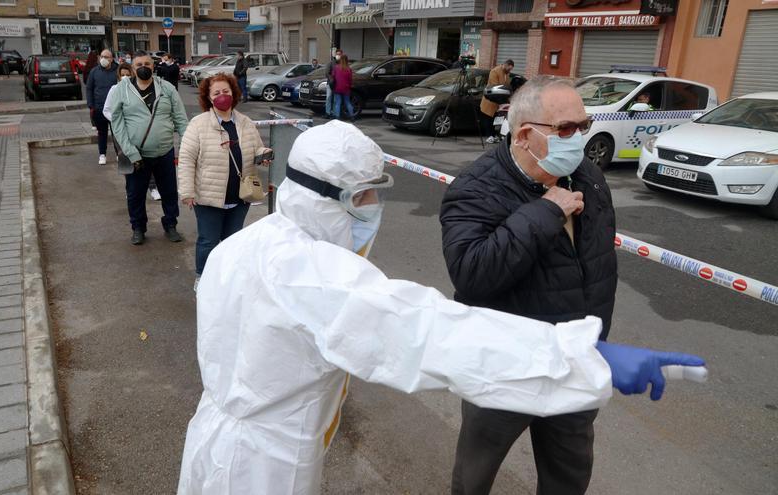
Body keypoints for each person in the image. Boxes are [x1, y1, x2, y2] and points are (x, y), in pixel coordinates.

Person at [176, 119, 705, 495]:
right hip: (266, 467)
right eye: (364, 196)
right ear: (330, 197)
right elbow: (429, 333)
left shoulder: (251, 242)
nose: (372, 209)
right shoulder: (311, 273)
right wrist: (582, 357)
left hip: (216, 437)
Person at [441, 75, 630, 495]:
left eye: (583, 125)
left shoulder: (588, 177)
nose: (579, 137)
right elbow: (472, 274)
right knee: (475, 474)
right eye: (566, 129)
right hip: (505, 368)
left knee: (570, 472)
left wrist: (596, 344)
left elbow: (597, 268)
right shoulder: (476, 188)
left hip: (574, 361)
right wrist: (544, 213)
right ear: (526, 134)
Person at [177, 73, 271, 291]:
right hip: (208, 197)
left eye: (226, 91)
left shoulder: (245, 123)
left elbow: (256, 147)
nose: (222, 96)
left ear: (234, 93)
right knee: (208, 241)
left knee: (232, 242)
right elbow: (187, 159)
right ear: (209, 98)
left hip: (240, 197)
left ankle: (228, 277)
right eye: (216, 93)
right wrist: (187, 192)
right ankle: (202, 276)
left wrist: (264, 153)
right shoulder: (198, 124)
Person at [110, 51, 189, 245]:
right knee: (135, 195)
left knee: (169, 192)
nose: (143, 67)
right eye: (138, 64)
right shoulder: (122, 89)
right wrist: (131, 152)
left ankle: (170, 224)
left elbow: (180, 119)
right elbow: (117, 124)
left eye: (147, 63)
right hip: (136, 155)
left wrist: (188, 146)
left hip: (164, 152)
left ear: (153, 66)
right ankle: (138, 228)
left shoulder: (167, 88)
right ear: (132, 68)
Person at [86, 49, 119, 166]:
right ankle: (102, 154)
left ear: (112, 58)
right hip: (99, 108)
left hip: (115, 109)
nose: (104, 59)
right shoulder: (94, 71)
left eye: (107, 57)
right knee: (102, 133)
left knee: (117, 133)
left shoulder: (118, 71)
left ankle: (118, 154)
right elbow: (89, 88)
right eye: (102, 56)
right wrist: (91, 105)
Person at [480, 59, 514, 144]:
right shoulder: (494, 71)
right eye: (509, 69)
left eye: (511, 69)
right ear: (505, 65)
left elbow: (507, 85)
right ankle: (489, 136)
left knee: (496, 120)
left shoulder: (507, 73)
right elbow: (495, 86)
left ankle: (494, 135)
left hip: (499, 102)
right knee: (488, 118)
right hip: (490, 99)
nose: (510, 71)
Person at [331, 54, 354, 121]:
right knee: (347, 102)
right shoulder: (349, 69)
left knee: (338, 102)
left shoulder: (336, 67)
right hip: (346, 88)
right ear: (347, 60)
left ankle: (337, 117)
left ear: (340, 60)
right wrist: (349, 86)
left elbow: (333, 76)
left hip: (337, 87)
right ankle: (352, 116)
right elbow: (350, 80)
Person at [323, 48, 343, 118]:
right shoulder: (331, 63)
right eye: (337, 54)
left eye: (339, 54)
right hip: (331, 84)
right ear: (335, 55)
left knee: (335, 99)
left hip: (338, 85)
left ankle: (334, 113)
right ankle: (327, 113)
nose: (338, 56)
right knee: (328, 98)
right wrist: (331, 80)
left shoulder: (342, 64)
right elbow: (327, 73)